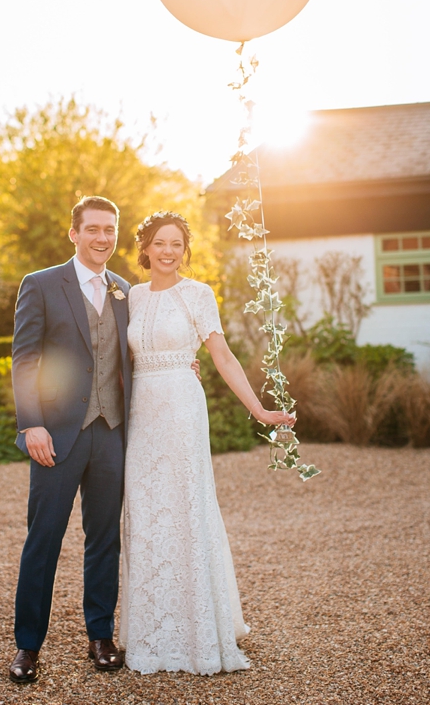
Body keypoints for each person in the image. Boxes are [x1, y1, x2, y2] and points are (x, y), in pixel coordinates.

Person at [119, 211, 294, 674]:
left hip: (180, 408)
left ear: (186, 249)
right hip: (141, 412)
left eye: (177, 243)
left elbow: (222, 354)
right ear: (146, 248)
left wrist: (259, 410)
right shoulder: (132, 296)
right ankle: (151, 629)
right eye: (160, 243)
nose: (169, 251)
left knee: (185, 507)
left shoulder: (199, 294)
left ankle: (198, 629)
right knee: (146, 510)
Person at [8, 196, 133, 683]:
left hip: (112, 433)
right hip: (56, 434)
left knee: (104, 540)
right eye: (94, 229)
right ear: (74, 233)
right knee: (43, 540)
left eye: (110, 230)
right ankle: (27, 647)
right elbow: (24, 359)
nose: (103, 238)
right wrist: (30, 422)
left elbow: (134, 355)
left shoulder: (125, 290)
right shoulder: (40, 285)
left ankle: (100, 636)